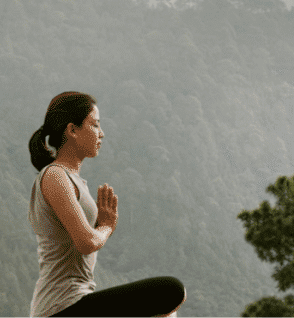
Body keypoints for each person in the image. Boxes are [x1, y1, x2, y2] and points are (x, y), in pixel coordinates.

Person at [28, 92, 185, 318]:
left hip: (77, 301)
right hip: (61, 307)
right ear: (72, 130)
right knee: (171, 291)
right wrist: (106, 226)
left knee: (166, 312)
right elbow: (86, 242)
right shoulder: (55, 176)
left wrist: (103, 226)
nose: (101, 134)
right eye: (94, 125)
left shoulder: (72, 179)